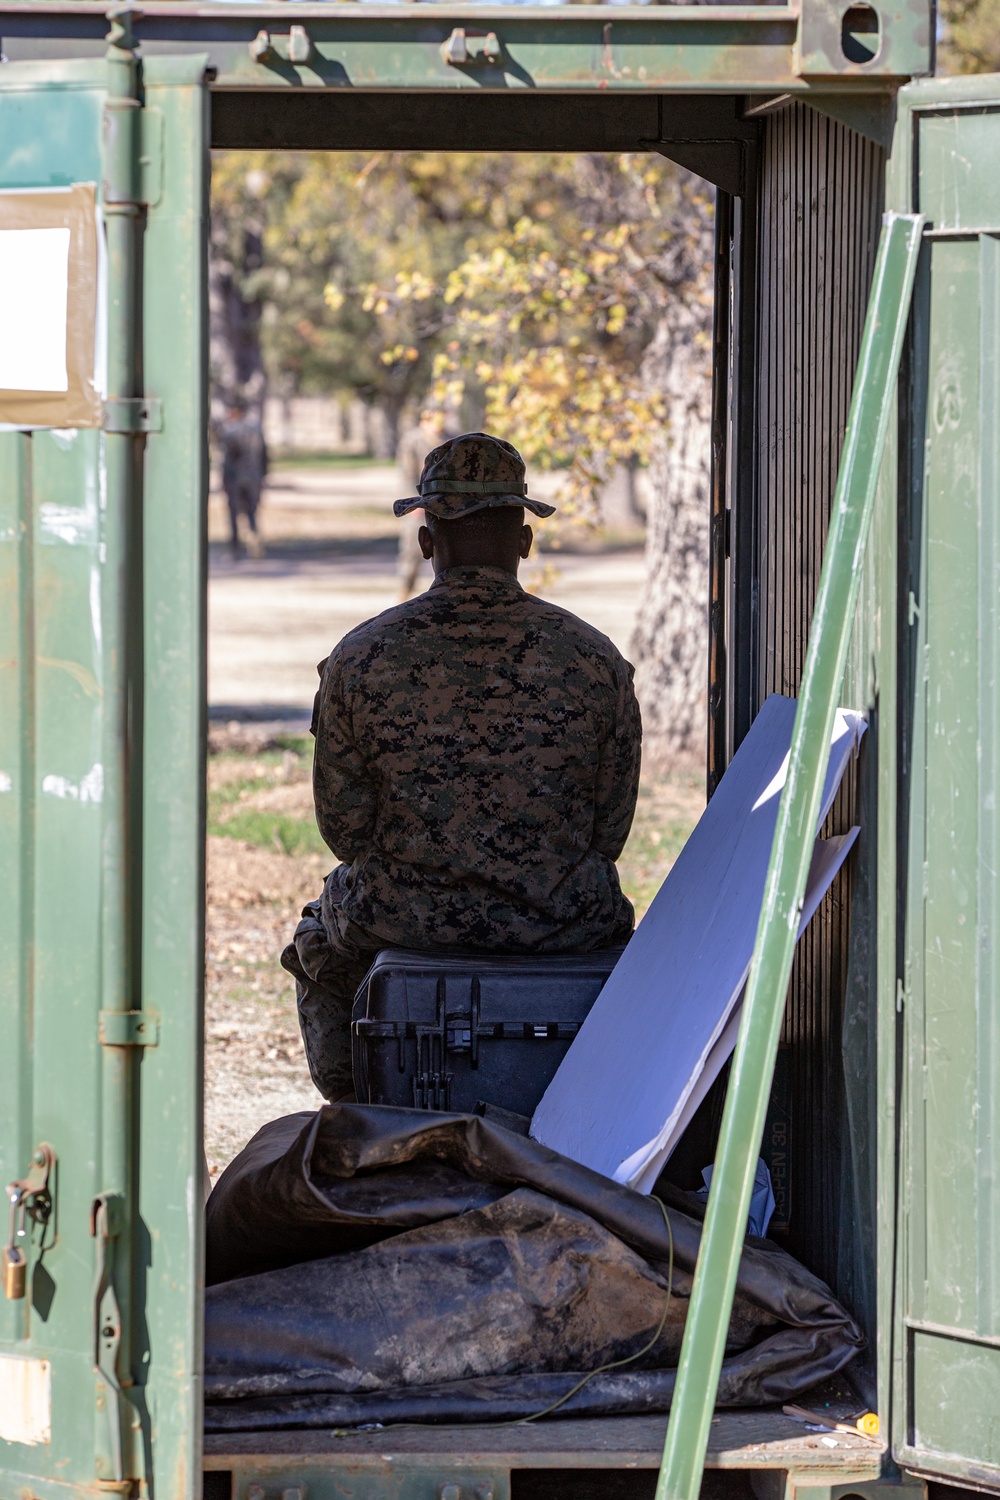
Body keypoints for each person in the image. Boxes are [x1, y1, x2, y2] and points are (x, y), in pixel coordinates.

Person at [281, 432, 642, 1100]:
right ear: (525, 542)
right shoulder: (594, 661)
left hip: (405, 918)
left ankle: (360, 1096)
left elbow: (345, 832)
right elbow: (608, 832)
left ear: (425, 541)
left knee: (317, 933)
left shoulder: (361, 658)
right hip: (560, 920)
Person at [219, 403, 268, 558]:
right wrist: (263, 476)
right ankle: (254, 542)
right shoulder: (256, 430)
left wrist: (224, 479)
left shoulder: (230, 431)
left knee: (233, 514)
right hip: (254, 477)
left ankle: (235, 549)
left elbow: (228, 459)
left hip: (235, 478)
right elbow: (265, 457)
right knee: (251, 512)